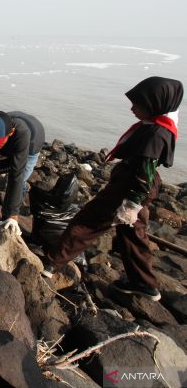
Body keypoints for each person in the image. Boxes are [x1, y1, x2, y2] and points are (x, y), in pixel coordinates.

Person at [43, 77, 182, 301]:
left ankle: (51, 263)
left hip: (129, 188)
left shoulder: (155, 134)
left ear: (154, 105)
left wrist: (132, 203)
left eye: (138, 105)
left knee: (87, 222)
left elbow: (144, 172)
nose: (132, 108)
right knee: (132, 234)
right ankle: (145, 284)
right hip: (136, 186)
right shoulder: (158, 127)